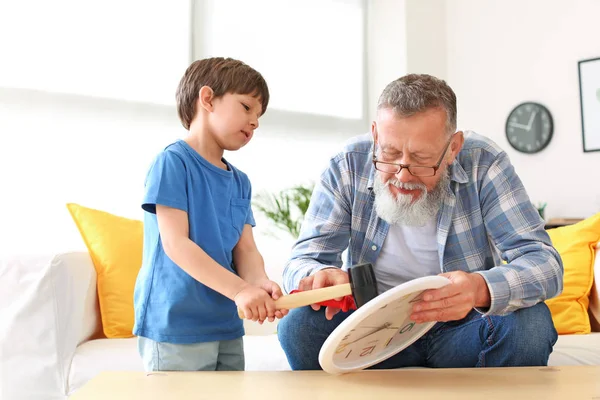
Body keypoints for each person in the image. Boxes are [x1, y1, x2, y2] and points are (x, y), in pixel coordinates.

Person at [277, 74, 563, 370]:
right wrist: (320, 274)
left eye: (421, 159)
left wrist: (480, 288)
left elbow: (545, 264)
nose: (402, 175)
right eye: (389, 154)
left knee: (531, 325)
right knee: (298, 327)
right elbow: (303, 259)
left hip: (462, 328)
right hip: (369, 329)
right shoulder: (347, 163)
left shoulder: (484, 162)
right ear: (376, 135)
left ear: (453, 147)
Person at [133, 57, 287, 372]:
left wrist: (258, 281)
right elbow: (176, 244)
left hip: (226, 324)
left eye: (259, 116)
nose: (255, 122)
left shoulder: (240, 180)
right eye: (247, 107)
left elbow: (245, 249)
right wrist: (241, 290)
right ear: (207, 99)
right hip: (176, 324)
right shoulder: (173, 163)